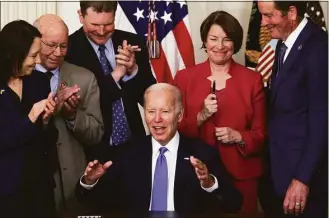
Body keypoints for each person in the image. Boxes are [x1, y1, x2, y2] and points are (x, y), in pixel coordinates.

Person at [76, 83, 242, 215]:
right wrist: (90, 182)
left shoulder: (202, 153)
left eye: (165, 111)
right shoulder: (126, 153)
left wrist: (209, 183)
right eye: (151, 111)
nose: (157, 120)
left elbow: (234, 203)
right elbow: (91, 201)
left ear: (179, 115)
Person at [174, 11, 266, 214]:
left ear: (236, 43)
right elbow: (172, 129)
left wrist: (238, 136)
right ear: (205, 41)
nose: (220, 46)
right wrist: (201, 116)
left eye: (227, 39)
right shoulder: (183, 78)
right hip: (196, 174)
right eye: (213, 39)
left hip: (241, 175)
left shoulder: (252, 80)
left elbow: (260, 134)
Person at [257, 1, 328, 217]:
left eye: (269, 15)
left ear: (292, 13)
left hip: (302, 183)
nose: (263, 22)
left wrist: (302, 179)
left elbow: (322, 121)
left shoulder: (318, 48)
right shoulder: (283, 41)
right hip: (279, 174)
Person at [65, 1, 156, 161]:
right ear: (81, 16)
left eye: (108, 24)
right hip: (92, 151)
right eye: (94, 24)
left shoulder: (132, 42)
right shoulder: (68, 50)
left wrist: (132, 71)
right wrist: (117, 74)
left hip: (134, 144)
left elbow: (150, 98)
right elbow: (84, 102)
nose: (101, 31)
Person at [33, 14, 104, 216]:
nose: (58, 53)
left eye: (63, 46)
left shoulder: (84, 78)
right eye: (51, 45)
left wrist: (72, 115)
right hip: (32, 187)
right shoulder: (18, 77)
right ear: (36, 42)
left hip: (75, 187)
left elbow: (96, 136)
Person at [0, 20, 58, 218]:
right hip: (6, 193)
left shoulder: (41, 82)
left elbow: (49, 139)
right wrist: (32, 116)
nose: (38, 61)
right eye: (33, 56)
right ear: (13, 54)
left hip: (39, 187)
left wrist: (46, 120)